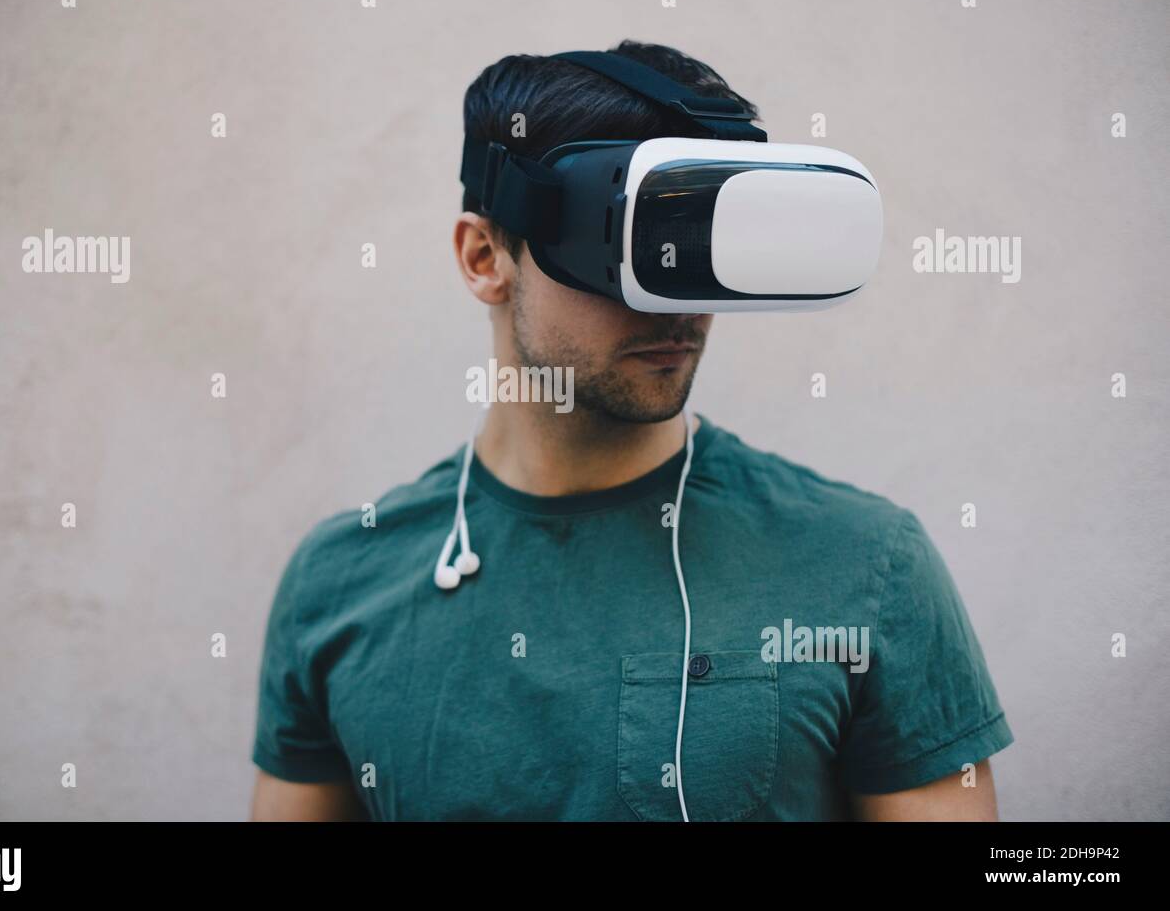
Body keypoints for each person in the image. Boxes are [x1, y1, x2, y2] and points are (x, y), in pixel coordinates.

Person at [249, 40, 1013, 821]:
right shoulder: (338, 584)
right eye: (633, 247)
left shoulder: (865, 565)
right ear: (486, 256)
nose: (675, 302)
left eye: (701, 246)